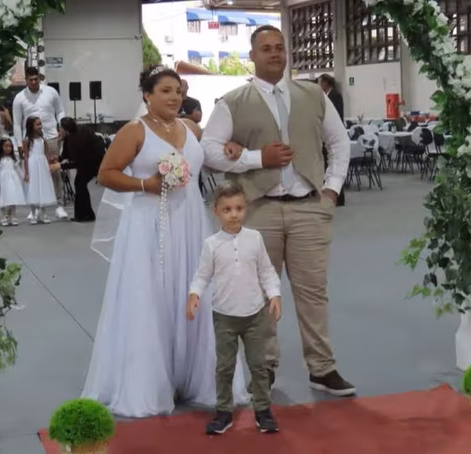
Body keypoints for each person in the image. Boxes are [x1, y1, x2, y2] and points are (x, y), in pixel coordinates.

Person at [81, 65, 249, 418]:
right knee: (152, 296)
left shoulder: (190, 128)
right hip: (148, 223)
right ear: (147, 95)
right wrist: (146, 185)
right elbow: (106, 174)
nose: (175, 97)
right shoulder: (134, 131)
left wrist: (231, 149)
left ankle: (198, 377)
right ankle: (149, 381)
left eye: (178, 91)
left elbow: (211, 159)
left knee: (193, 289)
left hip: (190, 220)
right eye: (166, 91)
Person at [200, 25, 355, 396]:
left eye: (279, 47)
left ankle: (322, 367)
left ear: (287, 53)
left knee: (313, 293)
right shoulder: (232, 102)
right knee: (259, 294)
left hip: (309, 208)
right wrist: (256, 159)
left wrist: (331, 190)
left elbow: (339, 143)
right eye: (266, 48)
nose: (274, 53)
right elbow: (208, 151)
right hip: (258, 209)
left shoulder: (314, 94)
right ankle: (264, 367)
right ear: (252, 55)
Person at [187, 181, 282, 435]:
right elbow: (202, 275)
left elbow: (267, 271)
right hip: (224, 317)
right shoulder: (212, 244)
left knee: (259, 366)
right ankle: (224, 411)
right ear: (216, 211)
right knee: (224, 367)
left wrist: (274, 295)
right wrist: (194, 294)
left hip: (255, 315)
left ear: (246, 208)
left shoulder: (255, 239)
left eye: (239, 208)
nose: (234, 214)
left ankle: (263, 410)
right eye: (227, 209)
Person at [12, 67, 69, 221]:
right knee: (33, 173)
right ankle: (35, 207)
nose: (34, 82)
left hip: (51, 136)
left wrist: (62, 128)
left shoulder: (51, 92)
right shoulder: (19, 98)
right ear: (26, 80)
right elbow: (17, 123)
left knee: (54, 170)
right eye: (30, 79)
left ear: (39, 78)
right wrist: (19, 143)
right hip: (30, 140)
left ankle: (58, 205)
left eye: (36, 79)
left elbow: (60, 111)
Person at [57, 117, 103, 222]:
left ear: (65, 129)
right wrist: (58, 159)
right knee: (80, 184)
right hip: (87, 162)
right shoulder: (70, 136)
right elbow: (66, 153)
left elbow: (78, 162)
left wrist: (61, 166)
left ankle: (85, 215)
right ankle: (86, 214)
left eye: (60, 128)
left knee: (80, 184)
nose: (59, 130)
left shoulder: (77, 139)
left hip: (92, 162)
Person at [22, 116, 58, 224]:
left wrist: (49, 165)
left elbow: (47, 154)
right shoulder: (27, 140)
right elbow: (26, 156)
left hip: (42, 164)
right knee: (33, 188)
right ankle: (33, 213)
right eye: (37, 124)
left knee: (43, 187)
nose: (40, 126)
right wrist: (26, 172)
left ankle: (44, 213)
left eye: (40, 124)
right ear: (31, 126)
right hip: (33, 164)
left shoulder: (43, 139)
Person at [317, 74, 346, 207]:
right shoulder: (327, 96)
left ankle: (339, 196)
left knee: (335, 163)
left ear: (326, 83)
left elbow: (336, 116)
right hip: (325, 136)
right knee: (328, 165)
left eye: (320, 83)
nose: (319, 86)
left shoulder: (335, 96)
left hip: (334, 131)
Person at [0, 139, 27, 226]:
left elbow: (17, 169)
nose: (8, 148)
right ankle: (4, 216)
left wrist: (23, 177)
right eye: (6, 146)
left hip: (12, 180)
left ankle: (13, 216)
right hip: (2, 181)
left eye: (10, 146)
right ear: (1, 147)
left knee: (12, 198)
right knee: (2, 198)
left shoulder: (14, 158)